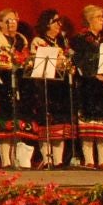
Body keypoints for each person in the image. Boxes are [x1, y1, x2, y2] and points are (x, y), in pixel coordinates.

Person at [0, 9, 34, 168]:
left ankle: (15, 158)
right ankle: (5, 161)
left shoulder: (21, 40)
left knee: (16, 123)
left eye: (14, 20)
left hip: (18, 84)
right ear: (0, 24)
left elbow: (26, 59)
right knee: (3, 124)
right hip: (0, 86)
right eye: (8, 21)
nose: (12, 23)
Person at [73, 4, 103, 166]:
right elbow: (79, 63)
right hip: (88, 86)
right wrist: (97, 77)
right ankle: (89, 160)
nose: (102, 20)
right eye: (98, 17)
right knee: (89, 124)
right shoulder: (80, 39)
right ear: (89, 20)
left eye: (102, 17)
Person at [28, 9, 76, 167]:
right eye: (55, 21)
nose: (59, 25)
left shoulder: (60, 42)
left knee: (59, 125)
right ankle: (47, 159)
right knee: (46, 123)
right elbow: (38, 62)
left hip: (59, 88)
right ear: (47, 24)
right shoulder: (39, 41)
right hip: (44, 86)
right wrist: (61, 62)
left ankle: (59, 160)